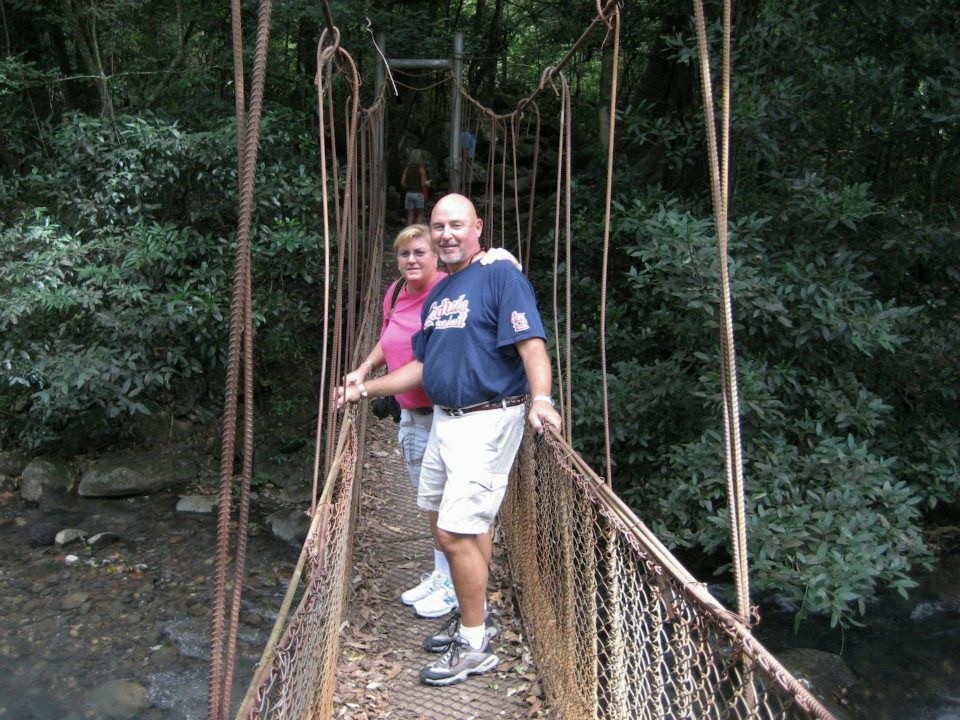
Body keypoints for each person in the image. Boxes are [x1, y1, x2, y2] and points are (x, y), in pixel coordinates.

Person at [338, 193, 562, 687]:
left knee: (458, 532)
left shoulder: (501, 276)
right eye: (438, 226)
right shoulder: (440, 294)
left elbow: (531, 344)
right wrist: (364, 387)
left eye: (455, 225)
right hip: (444, 420)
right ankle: (474, 614)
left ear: (478, 227)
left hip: (487, 420)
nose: (445, 234)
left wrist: (542, 399)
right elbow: (420, 364)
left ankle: (475, 643)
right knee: (447, 529)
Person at [344, 224, 453, 617]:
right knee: (430, 504)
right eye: (405, 254)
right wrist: (365, 367)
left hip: (447, 415)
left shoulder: (447, 293)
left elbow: (425, 367)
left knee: (448, 505)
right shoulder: (394, 293)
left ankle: (458, 587)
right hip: (411, 414)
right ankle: (444, 575)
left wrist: (366, 390)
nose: (411, 260)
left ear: (436, 255)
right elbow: (388, 335)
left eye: (420, 252)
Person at [401, 157, 430, 225]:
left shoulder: (407, 169)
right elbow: (423, 184)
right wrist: (428, 183)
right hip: (418, 193)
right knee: (419, 214)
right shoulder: (421, 169)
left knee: (410, 215)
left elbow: (402, 183)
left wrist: (409, 186)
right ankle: (417, 232)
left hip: (409, 194)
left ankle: (409, 233)